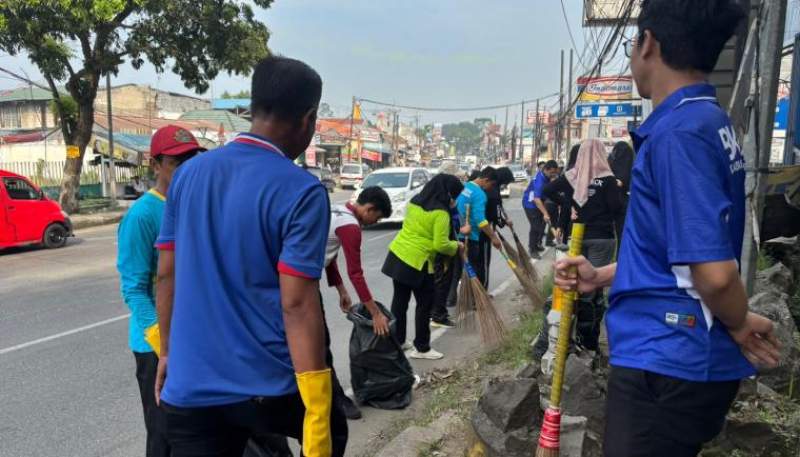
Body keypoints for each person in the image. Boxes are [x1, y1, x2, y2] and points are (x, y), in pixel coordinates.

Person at [554, 2, 780, 456]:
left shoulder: (679, 133)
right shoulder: (706, 121)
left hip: (668, 354)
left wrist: (736, 322)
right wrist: (601, 276)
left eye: (631, 43)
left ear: (648, 43)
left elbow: (712, 272)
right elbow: (672, 247)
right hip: (672, 355)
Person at [153, 56, 347, 457]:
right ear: (308, 119)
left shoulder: (188, 175)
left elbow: (167, 276)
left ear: (254, 108)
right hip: (267, 387)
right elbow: (296, 304)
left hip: (190, 390)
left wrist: (168, 353)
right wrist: (316, 401)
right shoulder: (302, 191)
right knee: (334, 430)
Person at [116, 125, 203, 457]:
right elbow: (135, 290)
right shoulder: (142, 216)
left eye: (191, 159)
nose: (184, 168)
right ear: (155, 165)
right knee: (163, 433)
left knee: (196, 432)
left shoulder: (195, 204)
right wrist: (163, 343)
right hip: (156, 346)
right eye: (175, 162)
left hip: (194, 339)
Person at [543, 139, 622, 351]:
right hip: (602, 238)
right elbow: (616, 208)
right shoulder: (608, 179)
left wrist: (568, 204)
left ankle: (570, 335)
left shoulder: (571, 177)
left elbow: (548, 190)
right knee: (594, 287)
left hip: (576, 237)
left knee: (576, 283)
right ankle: (589, 340)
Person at [324, 185, 392, 419]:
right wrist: (375, 313)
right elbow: (356, 273)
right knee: (319, 343)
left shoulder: (338, 210)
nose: (374, 223)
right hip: (297, 282)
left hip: (290, 275)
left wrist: (340, 289)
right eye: (377, 217)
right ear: (370, 208)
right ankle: (335, 401)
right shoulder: (351, 226)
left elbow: (327, 252)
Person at [382, 174, 464, 360]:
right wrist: (456, 246)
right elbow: (441, 245)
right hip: (418, 262)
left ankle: (399, 341)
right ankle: (422, 348)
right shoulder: (441, 213)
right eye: (454, 196)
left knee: (399, 302)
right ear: (449, 194)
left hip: (398, 255)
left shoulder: (415, 201)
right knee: (424, 304)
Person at [452, 167, 502, 291]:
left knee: (457, 269)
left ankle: (451, 298)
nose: (491, 187)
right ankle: (475, 299)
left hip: (456, 234)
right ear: (486, 180)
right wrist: (493, 237)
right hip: (471, 236)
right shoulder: (480, 194)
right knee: (475, 268)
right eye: (491, 184)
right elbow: (481, 221)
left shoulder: (465, 186)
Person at [481, 166, 515, 289]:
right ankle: (482, 290)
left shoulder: (481, 187)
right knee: (484, 262)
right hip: (483, 230)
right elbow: (496, 213)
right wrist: (502, 223)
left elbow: (499, 208)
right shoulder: (492, 191)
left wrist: (504, 219)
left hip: (472, 230)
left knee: (476, 262)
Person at [522, 160, 559, 257]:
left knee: (540, 225)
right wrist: (545, 213)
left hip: (539, 203)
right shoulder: (540, 181)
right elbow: (536, 199)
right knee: (536, 227)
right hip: (530, 204)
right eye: (551, 172)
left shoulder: (545, 175)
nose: (553, 174)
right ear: (546, 170)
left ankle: (536, 245)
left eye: (555, 172)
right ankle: (532, 249)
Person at [608, 141, 635, 253]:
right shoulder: (632, 165)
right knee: (622, 236)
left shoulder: (610, 164)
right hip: (626, 204)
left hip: (609, 204)